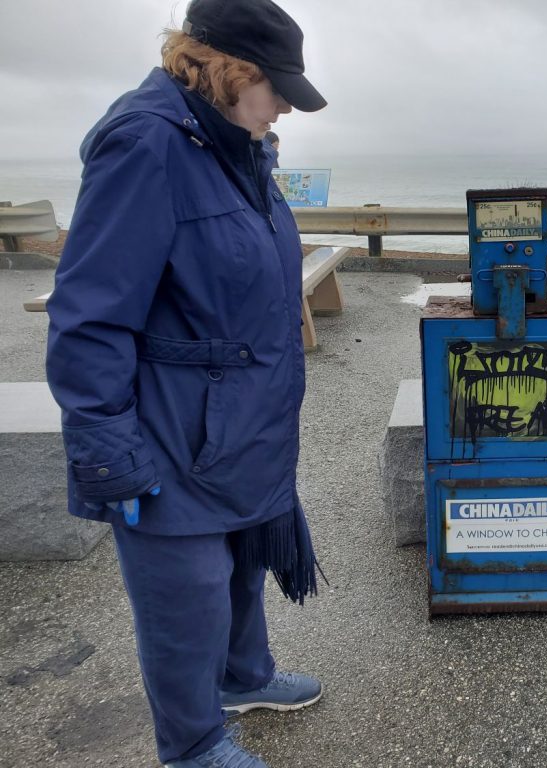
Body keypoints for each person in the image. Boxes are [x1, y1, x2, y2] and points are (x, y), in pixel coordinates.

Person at [45, 1, 327, 766]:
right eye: (281, 94)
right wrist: (105, 443)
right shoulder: (146, 144)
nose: (286, 114)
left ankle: (242, 678)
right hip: (175, 427)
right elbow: (90, 312)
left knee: (242, 564)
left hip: (241, 419)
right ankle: (194, 743)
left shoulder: (236, 149)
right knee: (187, 595)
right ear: (234, 73)